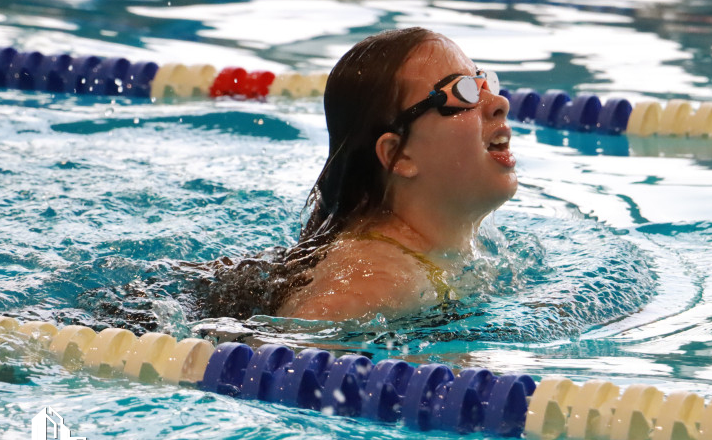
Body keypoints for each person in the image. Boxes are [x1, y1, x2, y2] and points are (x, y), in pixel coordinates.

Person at [196, 26, 516, 322]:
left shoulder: (448, 253)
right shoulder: (375, 281)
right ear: (398, 155)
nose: (499, 102)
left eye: (485, 83)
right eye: (464, 93)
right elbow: (274, 360)